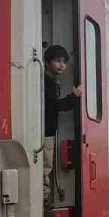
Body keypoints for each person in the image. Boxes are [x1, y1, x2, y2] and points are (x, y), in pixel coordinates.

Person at [43, 45, 82, 194]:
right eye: (57, 61)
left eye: (64, 62)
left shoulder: (49, 81)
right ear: (47, 62)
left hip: (46, 129)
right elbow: (54, 106)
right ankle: (44, 197)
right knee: (46, 166)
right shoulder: (48, 82)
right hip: (46, 130)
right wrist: (74, 96)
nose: (62, 65)